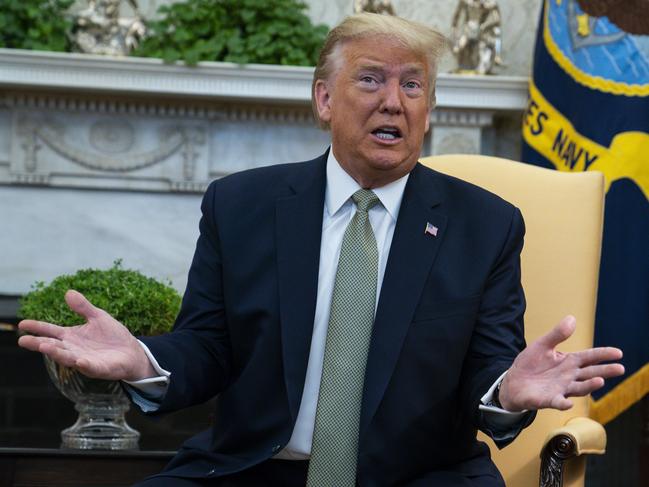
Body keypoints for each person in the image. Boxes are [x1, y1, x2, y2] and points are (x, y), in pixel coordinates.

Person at [18, 13, 624, 487]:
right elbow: (208, 346)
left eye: (413, 85)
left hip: (418, 478)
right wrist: (142, 361)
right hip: (254, 470)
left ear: (429, 110)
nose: (395, 101)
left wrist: (507, 392)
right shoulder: (241, 206)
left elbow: (489, 372)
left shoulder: (485, 225)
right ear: (324, 100)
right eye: (371, 79)